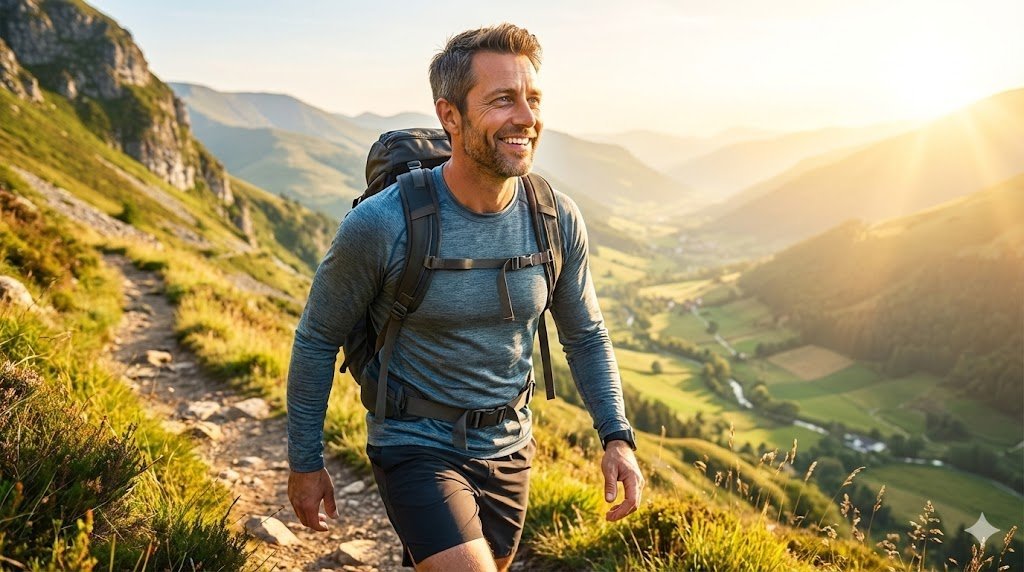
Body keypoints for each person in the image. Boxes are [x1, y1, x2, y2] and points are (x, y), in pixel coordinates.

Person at [286, 23, 643, 571]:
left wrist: (616, 437)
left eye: (533, 98)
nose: (526, 116)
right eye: (503, 100)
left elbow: (586, 334)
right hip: (414, 441)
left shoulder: (554, 218)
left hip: (510, 446)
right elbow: (316, 340)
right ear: (449, 116)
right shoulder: (382, 225)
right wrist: (305, 462)